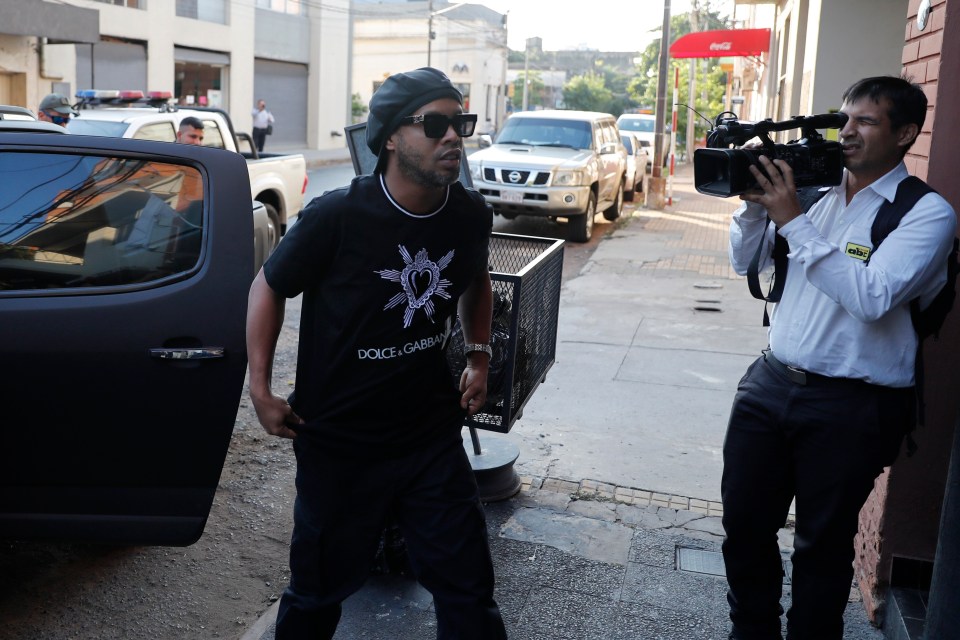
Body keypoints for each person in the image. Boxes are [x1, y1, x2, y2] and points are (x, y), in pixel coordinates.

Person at [245, 67, 507, 640]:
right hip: (339, 441)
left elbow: (475, 278)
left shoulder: (467, 214)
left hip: (428, 436)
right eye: (434, 124)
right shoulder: (338, 216)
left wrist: (478, 355)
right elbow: (268, 285)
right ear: (390, 136)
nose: (452, 137)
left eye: (459, 122)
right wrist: (260, 389)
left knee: (468, 591)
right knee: (317, 594)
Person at [722, 75, 957, 640]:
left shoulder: (925, 213)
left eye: (866, 122)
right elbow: (743, 263)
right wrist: (757, 210)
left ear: (905, 134)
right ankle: (751, 631)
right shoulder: (818, 192)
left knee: (822, 545)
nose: (847, 132)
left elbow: (872, 296)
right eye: (845, 118)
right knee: (745, 527)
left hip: (854, 405)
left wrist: (792, 221)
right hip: (771, 383)